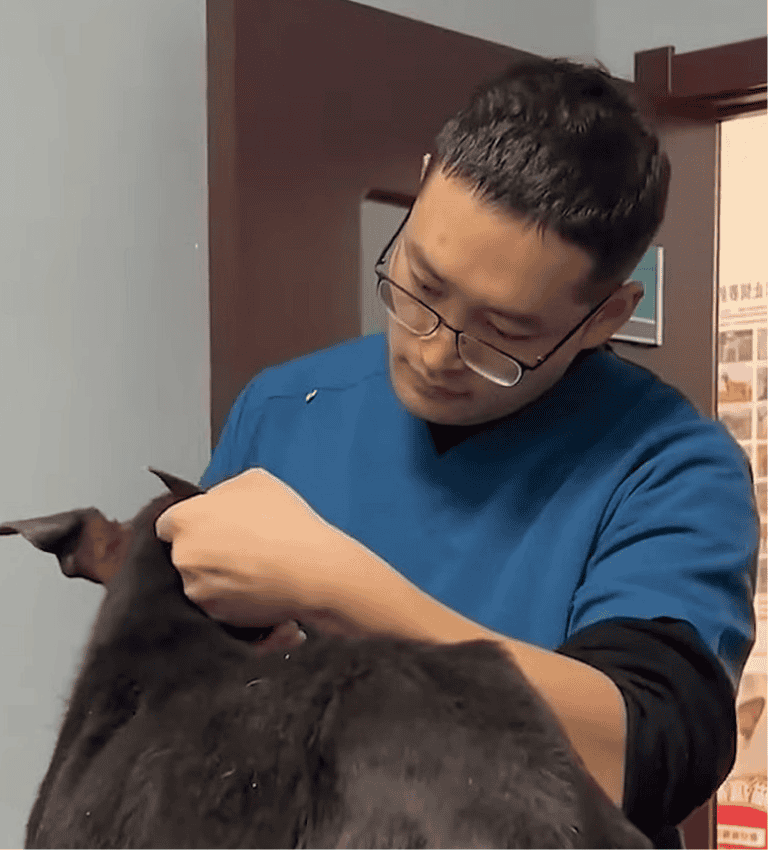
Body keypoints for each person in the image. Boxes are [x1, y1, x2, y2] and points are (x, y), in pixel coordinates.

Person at [155, 57, 759, 849]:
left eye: (504, 333)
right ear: (424, 184)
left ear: (607, 316)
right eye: (422, 286)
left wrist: (336, 585)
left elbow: (634, 755)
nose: (436, 354)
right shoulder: (285, 408)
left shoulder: (669, 467)